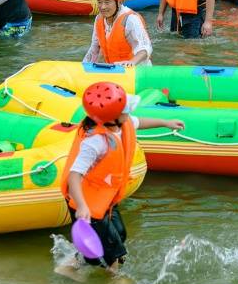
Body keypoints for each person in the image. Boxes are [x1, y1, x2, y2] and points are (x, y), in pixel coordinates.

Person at [59, 81, 184, 273]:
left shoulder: (120, 123)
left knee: (118, 234)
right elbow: (74, 176)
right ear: (113, 117)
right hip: (88, 204)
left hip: (104, 198)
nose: (129, 114)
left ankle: (69, 266)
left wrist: (165, 123)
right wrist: (82, 205)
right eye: (126, 110)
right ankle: (115, 283)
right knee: (113, 251)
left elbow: (139, 122)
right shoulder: (95, 142)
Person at [84, 0, 152, 66]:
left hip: (136, 70)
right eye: (99, 2)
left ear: (119, 2)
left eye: (107, 2)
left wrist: (132, 62)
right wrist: (84, 65)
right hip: (116, 69)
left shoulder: (130, 19)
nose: (102, 7)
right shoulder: (99, 19)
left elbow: (145, 48)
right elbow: (95, 48)